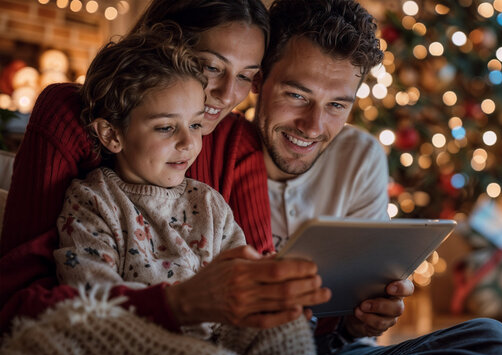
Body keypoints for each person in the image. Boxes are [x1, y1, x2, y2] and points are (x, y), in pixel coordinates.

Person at [0, 0, 329, 335]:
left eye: (246, 75)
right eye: (211, 67)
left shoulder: (235, 146)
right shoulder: (76, 140)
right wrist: (177, 306)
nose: (227, 95)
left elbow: (258, 293)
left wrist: (345, 321)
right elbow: (15, 308)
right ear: (166, 49)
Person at [253, 0, 502, 355]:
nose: (313, 126)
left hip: (334, 352)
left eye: (337, 105)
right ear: (258, 80)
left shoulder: (359, 155)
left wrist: (362, 320)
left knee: (493, 339)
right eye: (296, 95)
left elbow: (352, 317)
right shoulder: (210, 153)